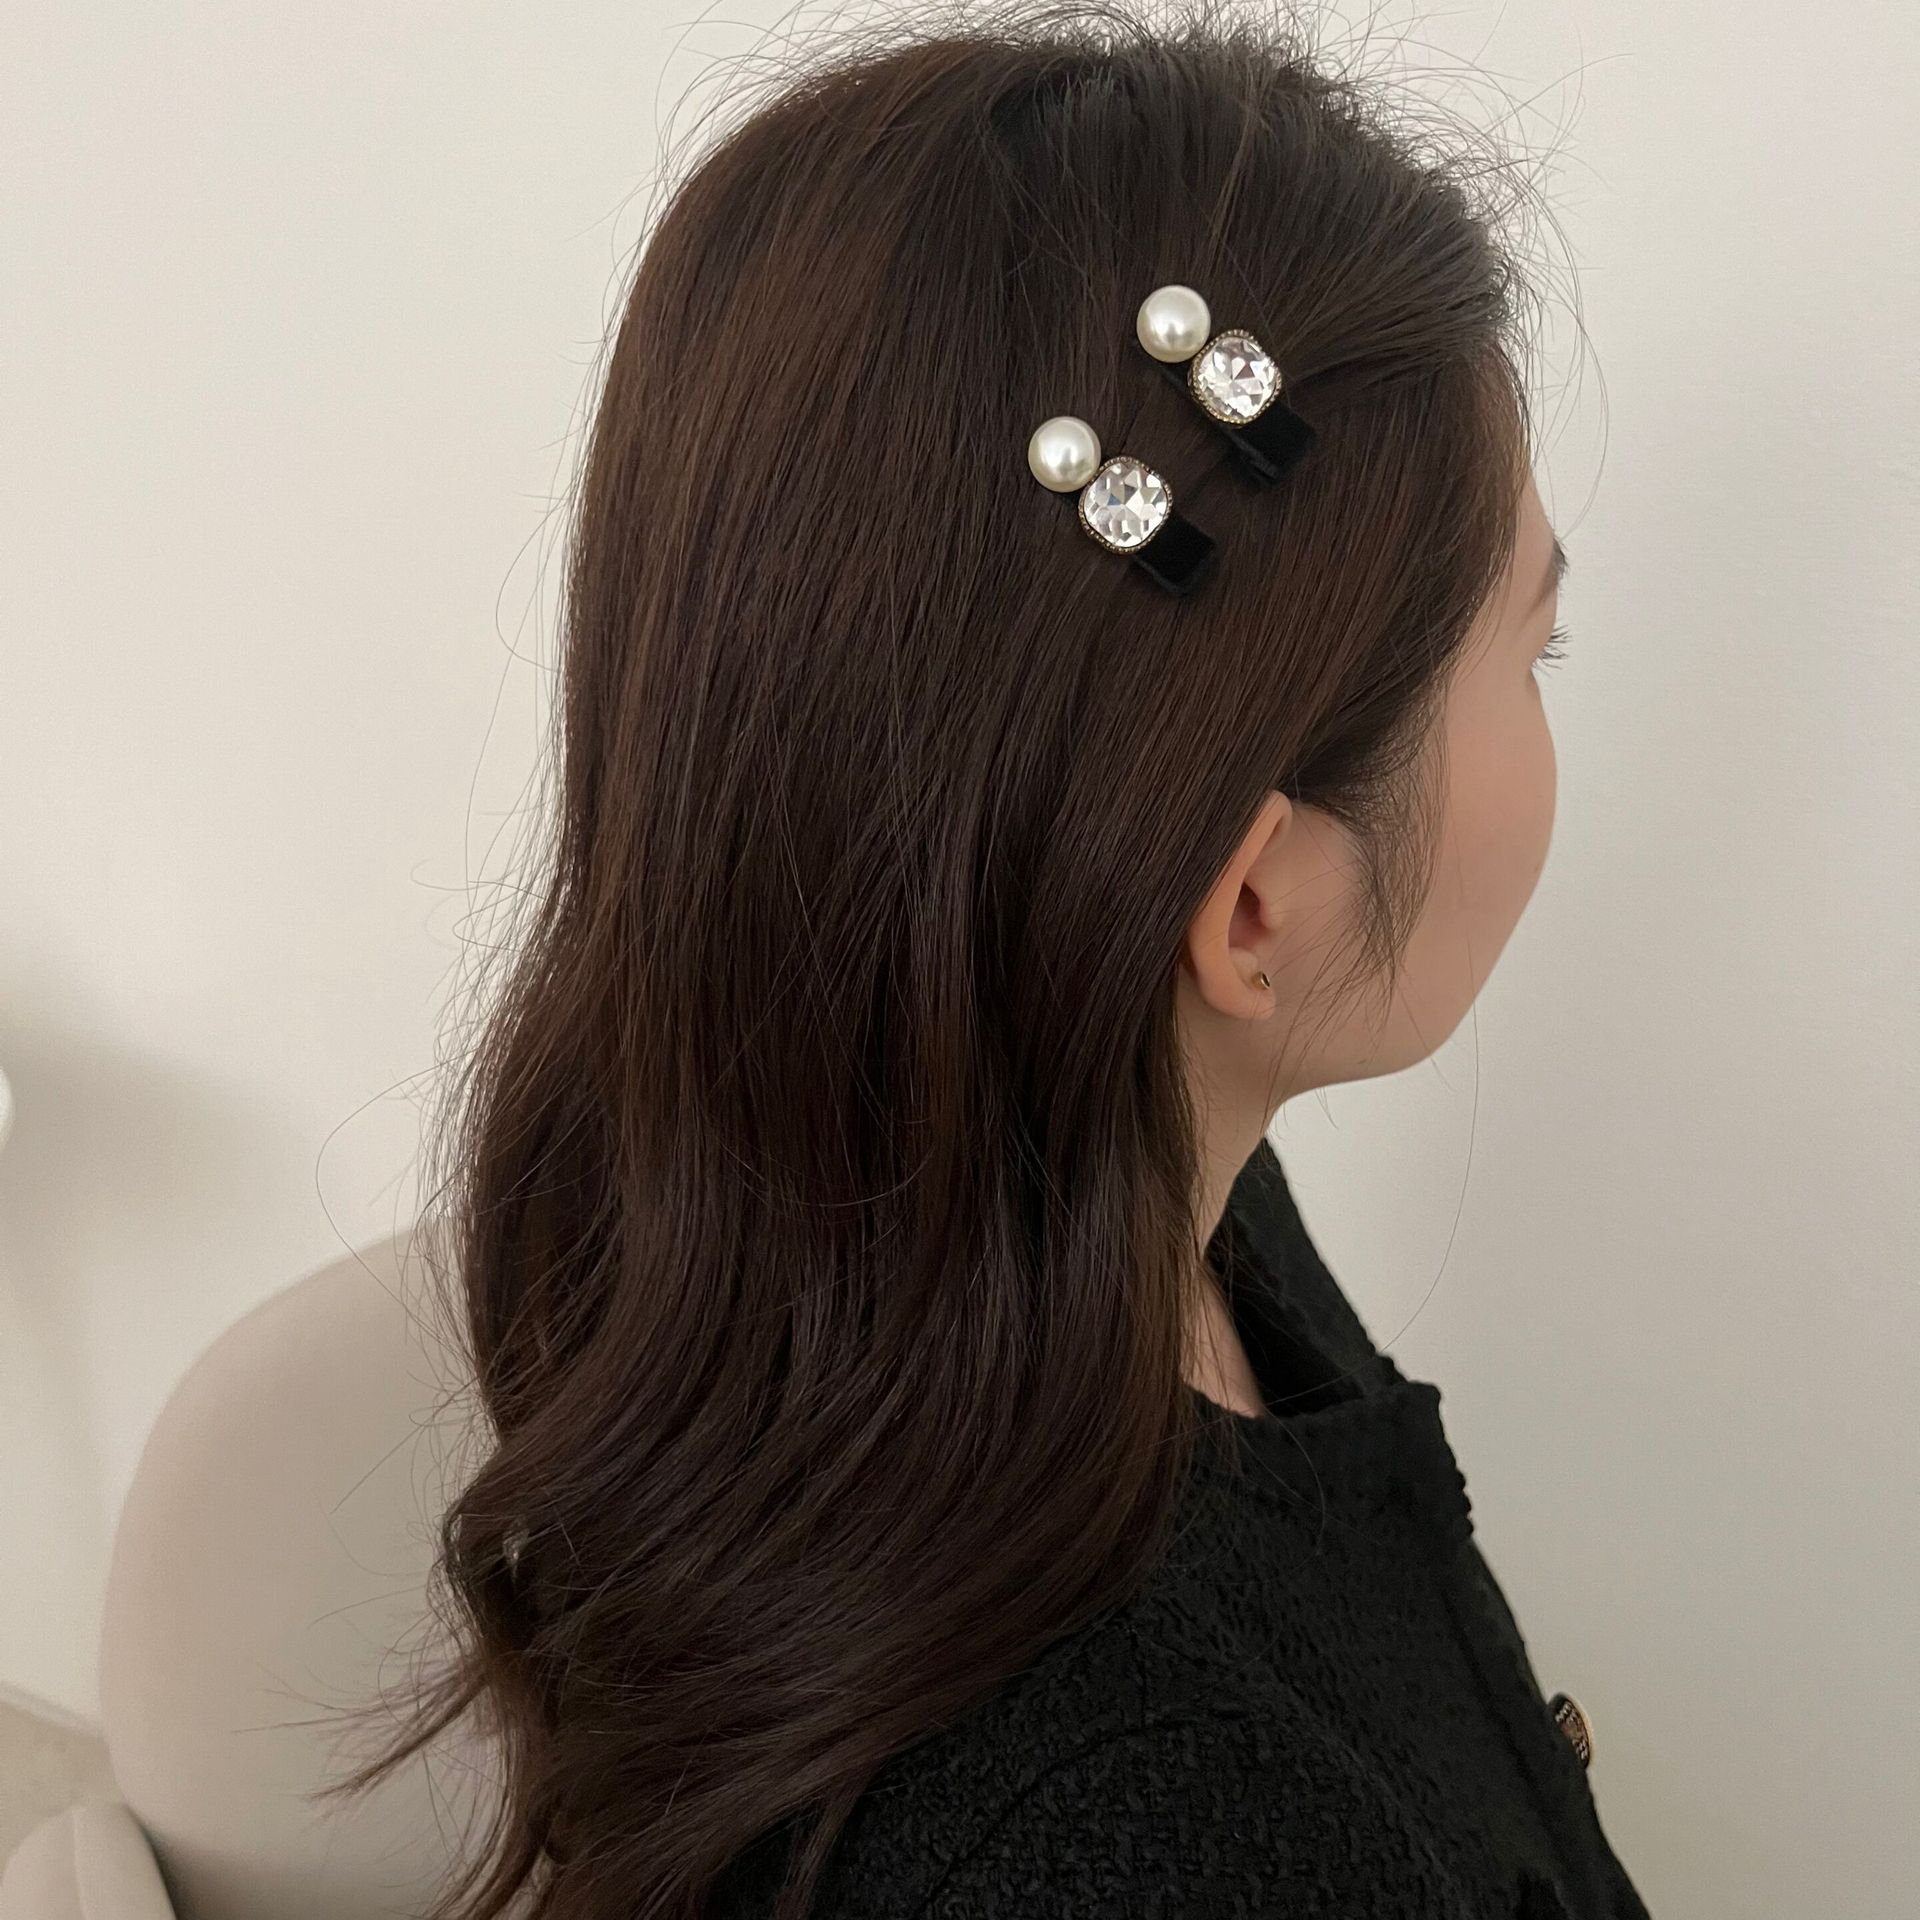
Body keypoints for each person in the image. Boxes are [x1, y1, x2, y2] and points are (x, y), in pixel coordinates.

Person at [329, 7, 1650, 1916]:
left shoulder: (1081, 1209)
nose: (1549, 701)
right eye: (1535, 650)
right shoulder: (1162, 1837)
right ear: (1254, 911)